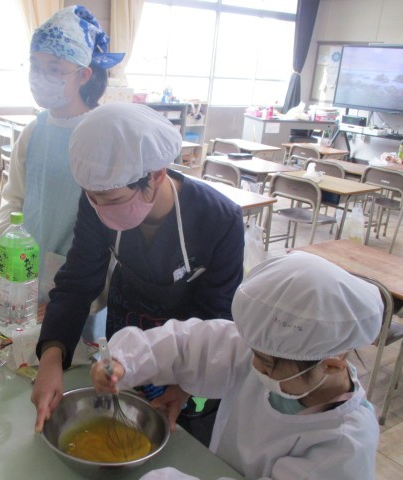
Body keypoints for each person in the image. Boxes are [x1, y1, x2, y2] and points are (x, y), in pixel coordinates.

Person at [32, 102, 245, 439]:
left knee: (182, 437)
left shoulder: (219, 219)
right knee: (120, 416)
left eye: (113, 200)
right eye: (92, 197)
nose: (100, 207)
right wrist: (51, 357)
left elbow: (218, 316)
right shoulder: (98, 200)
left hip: (190, 351)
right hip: (127, 326)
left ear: (156, 175)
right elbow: (77, 281)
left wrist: (185, 388)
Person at [91, 252, 382, 480]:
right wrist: (122, 361)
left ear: (331, 365)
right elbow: (186, 344)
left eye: (266, 364)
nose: (254, 364)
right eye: (255, 354)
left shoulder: (344, 445)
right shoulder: (276, 352)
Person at [0, 6, 124, 320]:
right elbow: (14, 200)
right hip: (24, 275)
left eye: (54, 68)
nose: (40, 77)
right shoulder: (34, 131)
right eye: (35, 65)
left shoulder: (102, 135)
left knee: (66, 343)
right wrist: (10, 257)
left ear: (83, 75)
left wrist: (82, 297)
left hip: (80, 283)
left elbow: (114, 228)